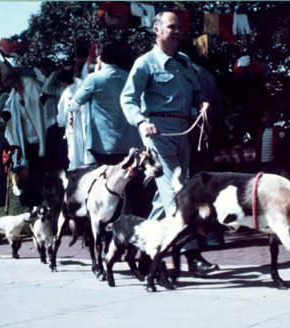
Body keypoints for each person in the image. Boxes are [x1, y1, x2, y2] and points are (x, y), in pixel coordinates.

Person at [121, 11, 219, 277]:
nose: (177, 32)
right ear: (156, 30)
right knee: (178, 194)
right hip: (157, 133)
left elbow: (198, 92)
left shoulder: (185, 62)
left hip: (184, 132)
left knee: (162, 198)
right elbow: (127, 99)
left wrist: (203, 103)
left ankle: (139, 247)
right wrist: (141, 123)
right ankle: (192, 256)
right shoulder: (145, 63)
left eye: (179, 28)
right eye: (171, 27)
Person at [71, 39, 141, 165]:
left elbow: (75, 103)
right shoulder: (130, 76)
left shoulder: (94, 79)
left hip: (105, 146)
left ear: (100, 57)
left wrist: (95, 74)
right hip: (131, 144)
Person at [57, 68, 88, 170]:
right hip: (77, 120)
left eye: (61, 82)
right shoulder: (79, 86)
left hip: (77, 120)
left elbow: (63, 112)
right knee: (77, 142)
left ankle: (79, 164)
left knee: (77, 143)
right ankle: (81, 162)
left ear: (65, 81)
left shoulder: (69, 92)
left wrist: (61, 121)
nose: (61, 85)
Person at [255, 109, 283, 174]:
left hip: (275, 164)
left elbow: (282, 147)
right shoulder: (261, 132)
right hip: (263, 164)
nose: (267, 118)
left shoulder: (278, 130)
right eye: (264, 117)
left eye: (268, 116)